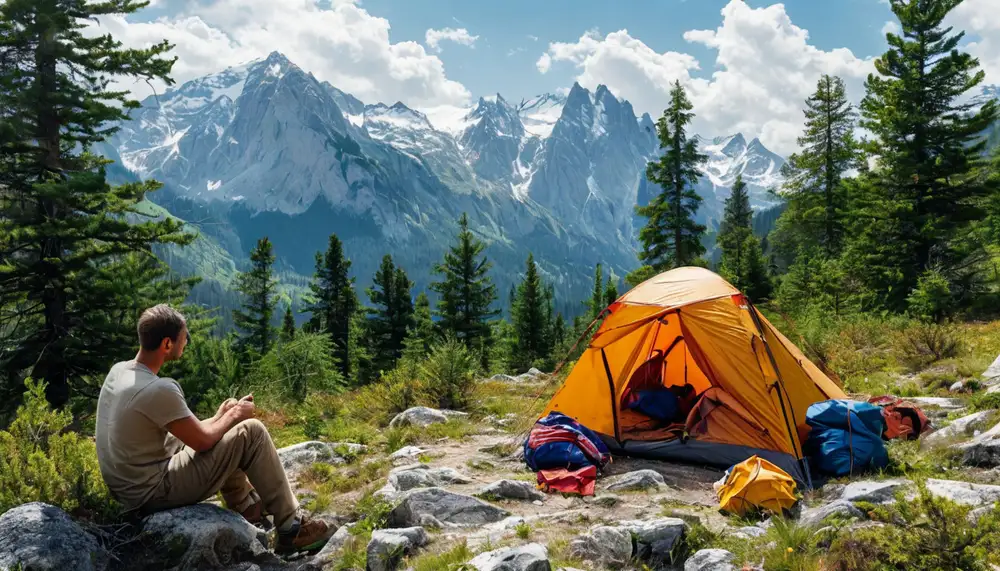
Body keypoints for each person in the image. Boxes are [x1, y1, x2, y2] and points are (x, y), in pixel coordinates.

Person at [95, 304, 333, 555]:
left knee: (231, 426)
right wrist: (234, 414)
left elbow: (190, 434)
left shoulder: (119, 371)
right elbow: (204, 442)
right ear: (167, 344)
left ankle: (247, 507)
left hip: (129, 487)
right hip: (152, 492)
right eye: (184, 336)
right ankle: (291, 530)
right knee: (251, 431)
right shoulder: (159, 389)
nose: (187, 341)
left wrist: (223, 416)